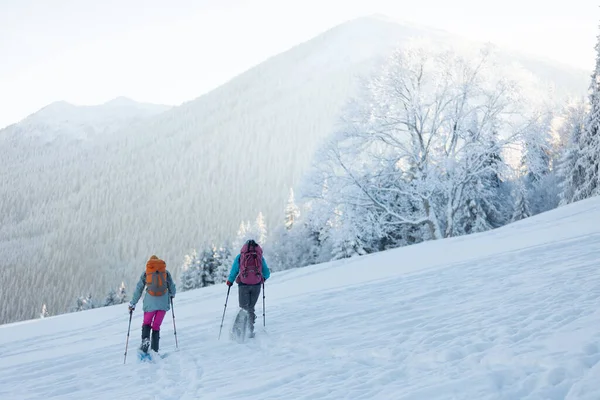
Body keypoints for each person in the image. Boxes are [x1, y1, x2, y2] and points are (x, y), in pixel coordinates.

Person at [128, 255, 176, 354]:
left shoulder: (146, 273)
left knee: (146, 323)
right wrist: (170, 295)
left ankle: (145, 342)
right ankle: (155, 349)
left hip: (150, 303)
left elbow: (139, 289)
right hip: (163, 303)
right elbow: (172, 288)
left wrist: (133, 303)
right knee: (156, 326)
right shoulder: (165, 273)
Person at [227, 239, 270, 337]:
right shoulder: (259, 257)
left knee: (243, 308)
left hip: (243, 285)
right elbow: (267, 273)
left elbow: (234, 270)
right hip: (256, 286)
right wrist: (262, 279)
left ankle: (236, 331)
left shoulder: (240, 256)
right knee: (251, 308)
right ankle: (249, 331)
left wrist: (230, 281)